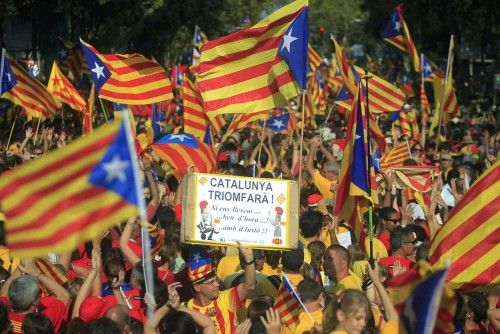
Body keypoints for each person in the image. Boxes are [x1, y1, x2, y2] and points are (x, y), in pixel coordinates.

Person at [185, 242, 255, 333]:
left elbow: (249, 286)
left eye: (216, 280)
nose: (217, 284)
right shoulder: (186, 308)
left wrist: (249, 260)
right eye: (211, 283)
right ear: (197, 287)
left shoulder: (226, 299)